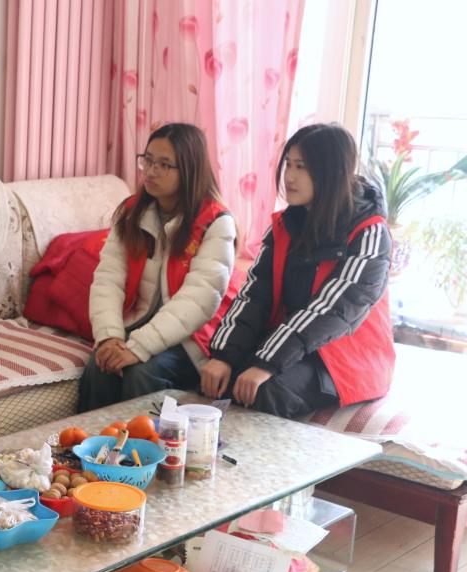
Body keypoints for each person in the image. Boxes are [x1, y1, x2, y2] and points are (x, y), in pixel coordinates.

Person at [201, 123, 394, 418]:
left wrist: (265, 363)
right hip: (293, 343)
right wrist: (223, 355)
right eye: (288, 164)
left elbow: (330, 310)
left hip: (344, 354)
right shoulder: (285, 224)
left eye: (301, 167)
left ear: (330, 172)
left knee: (266, 390)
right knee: (219, 378)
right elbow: (254, 294)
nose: (289, 176)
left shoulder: (370, 232)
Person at [78, 123, 240, 412]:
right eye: (148, 160)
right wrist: (109, 338)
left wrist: (137, 348)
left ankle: (145, 442)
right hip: (140, 324)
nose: (151, 171)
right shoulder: (131, 211)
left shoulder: (216, 222)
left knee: (142, 372)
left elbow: (198, 301)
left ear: (189, 169)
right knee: (100, 366)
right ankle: (88, 441)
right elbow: (108, 278)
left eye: (164, 165)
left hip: (191, 338)